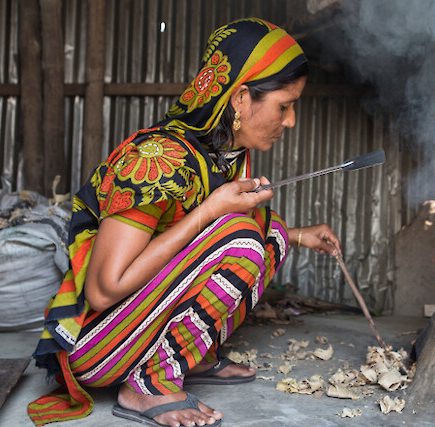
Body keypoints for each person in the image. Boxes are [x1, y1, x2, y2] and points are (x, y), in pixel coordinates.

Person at [27, 18, 341, 427]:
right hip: (94, 345)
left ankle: (191, 357)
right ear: (241, 99)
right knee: (242, 237)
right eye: (285, 105)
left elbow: (202, 241)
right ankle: (147, 385)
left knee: (271, 230)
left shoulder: (217, 155)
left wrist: (299, 235)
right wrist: (210, 211)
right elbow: (104, 291)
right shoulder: (157, 159)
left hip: (129, 329)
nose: (291, 121)